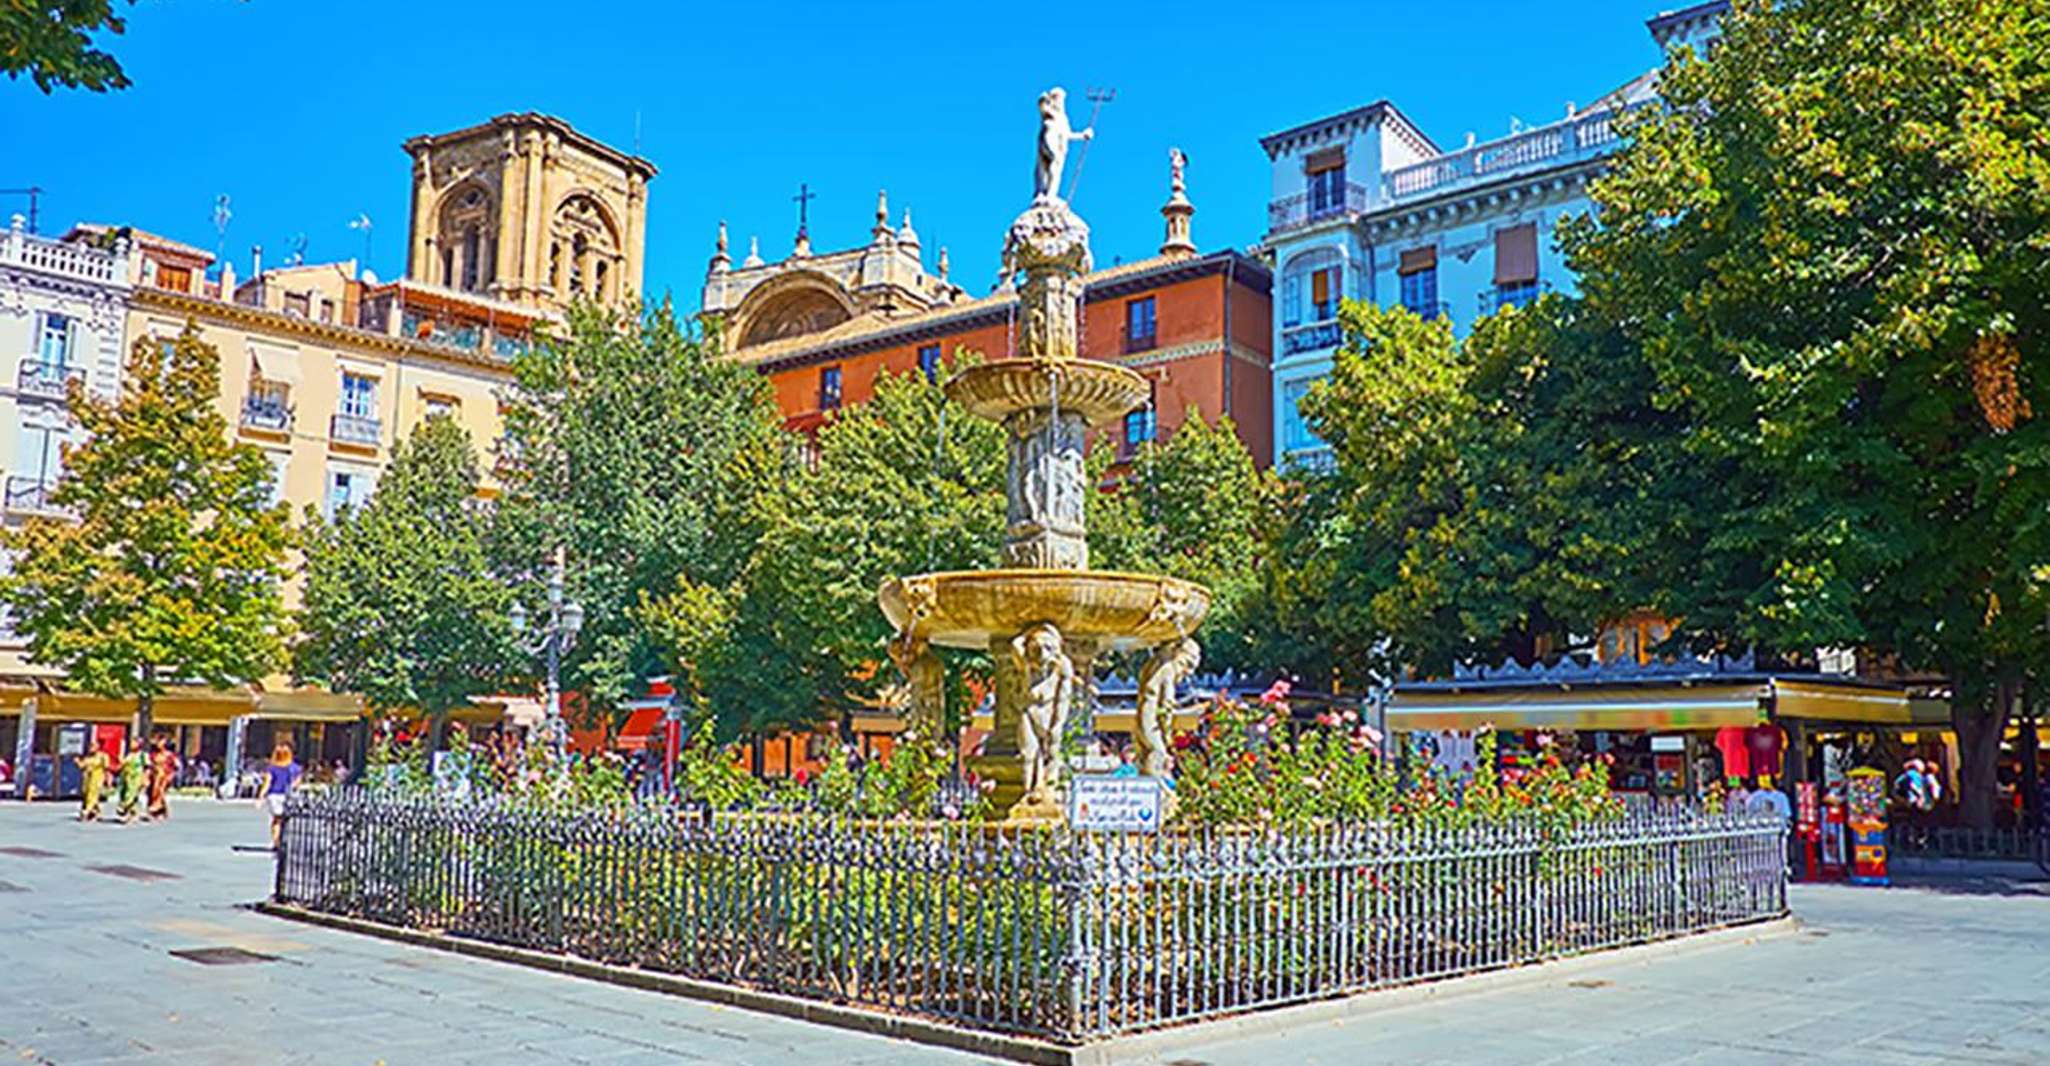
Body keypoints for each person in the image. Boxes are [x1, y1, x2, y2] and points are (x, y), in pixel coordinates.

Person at [265, 741, 302, 849]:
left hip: (274, 795)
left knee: (276, 820)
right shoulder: (295, 768)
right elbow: (297, 783)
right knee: (286, 819)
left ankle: (276, 842)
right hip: (287, 795)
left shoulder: (272, 768)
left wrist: (261, 796)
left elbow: (267, 783)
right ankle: (284, 840)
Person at [145, 733, 178, 821]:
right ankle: (160, 811)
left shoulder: (169, 755)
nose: (158, 744)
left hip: (164, 776)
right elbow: (149, 766)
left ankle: (155, 808)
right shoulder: (153, 755)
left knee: (159, 791)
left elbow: (176, 766)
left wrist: (171, 776)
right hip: (154, 776)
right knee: (151, 792)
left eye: (160, 741)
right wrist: (146, 776)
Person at [75, 738, 110, 822]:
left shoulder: (103, 756)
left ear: (98, 746)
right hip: (87, 779)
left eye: (93, 745)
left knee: (93, 795)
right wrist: (77, 762)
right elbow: (82, 766)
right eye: (90, 745)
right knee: (87, 795)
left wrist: (108, 780)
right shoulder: (88, 757)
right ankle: (95, 812)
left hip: (97, 779)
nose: (91, 747)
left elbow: (106, 769)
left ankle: (86, 812)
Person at [115, 743, 147, 823]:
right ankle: (131, 814)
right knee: (125, 794)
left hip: (136, 778)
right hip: (126, 777)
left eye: (134, 743)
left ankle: (123, 808)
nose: (131, 744)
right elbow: (122, 764)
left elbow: (147, 768)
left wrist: (145, 779)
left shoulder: (142, 755)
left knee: (130, 795)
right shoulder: (129, 755)